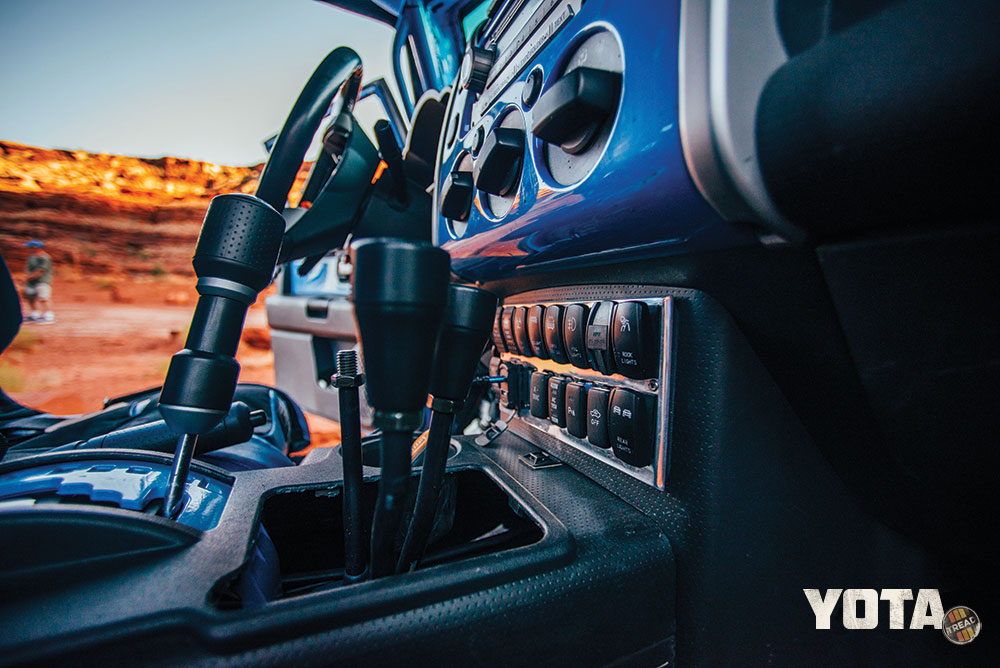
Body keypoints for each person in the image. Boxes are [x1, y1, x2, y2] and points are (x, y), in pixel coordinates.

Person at [22, 239, 54, 324]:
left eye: (30, 247)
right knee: (30, 297)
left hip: (42, 281)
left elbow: (40, 271)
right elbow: (28, 268)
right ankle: (34, 314)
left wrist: (27, 278)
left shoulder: (45, 258)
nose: (28, 249)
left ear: (36, 247)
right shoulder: (31, 257)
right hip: (31, 282)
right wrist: (27, 277)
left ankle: (48, 316)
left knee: (43, 298)